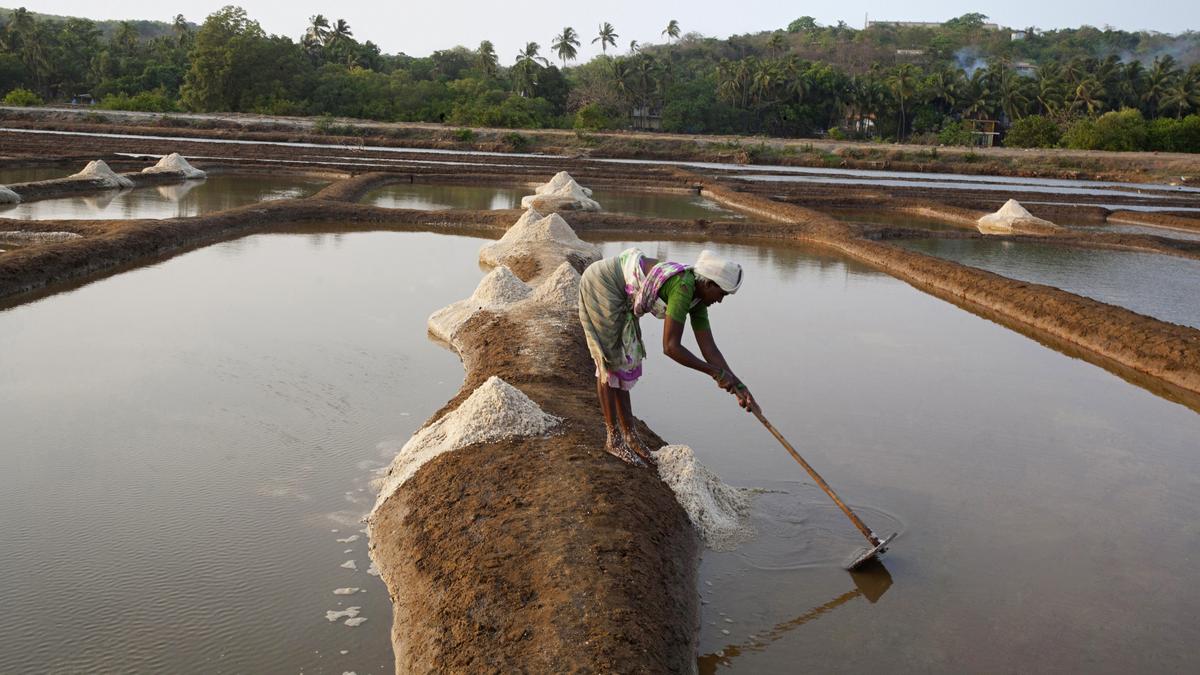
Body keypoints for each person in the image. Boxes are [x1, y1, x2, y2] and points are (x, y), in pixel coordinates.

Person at [578, 248, 757, 467]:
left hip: (622, 292)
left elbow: (709, 349)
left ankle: (630, 436)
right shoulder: (683, 288)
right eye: (722, 294)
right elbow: (671, 347)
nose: (720, 301)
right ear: (709, 284)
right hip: (603, 284)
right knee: (610, 360)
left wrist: (739, 386)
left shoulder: (698, 299)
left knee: (625, 360)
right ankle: (614, 439)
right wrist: (715, 373)